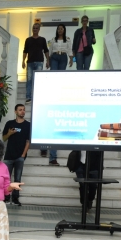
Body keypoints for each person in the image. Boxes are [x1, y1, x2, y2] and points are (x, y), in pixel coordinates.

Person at [43, 23, 73, 165]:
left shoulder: (67, 39)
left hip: (63, 57)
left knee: (61, 75)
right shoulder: (53, 40)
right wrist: (48, 61)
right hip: (54, 57)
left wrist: (72, 59)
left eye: (61, 28)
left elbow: (70, 50)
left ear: (64, 30)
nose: (60, 30)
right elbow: (49, 50)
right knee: (53, 74)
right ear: (57, 30)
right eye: (58, 28)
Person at [2, 104, 31, 207]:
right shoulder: (10, 123)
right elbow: (4, 138)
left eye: (24, 110)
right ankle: (5, 197)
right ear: (15, 112)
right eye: (20, 110)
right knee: (6, 178)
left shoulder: (28, 125)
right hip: (9, 155)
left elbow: (28, 141)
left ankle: (15, 198)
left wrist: (23, 155)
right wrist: (9, 133)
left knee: (17, 178)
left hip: (20, 156)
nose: (22, 112)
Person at [22, 23, 50, 104]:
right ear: (32, 29)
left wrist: (48, 61)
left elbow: (46, 51)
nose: (35, 29)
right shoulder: (28, 40)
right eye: (33, 28)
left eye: (36, 28)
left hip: (39, 62)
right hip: (30, 62)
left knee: (38, 79)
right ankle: (28, 97)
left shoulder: (42, 39)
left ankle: (38, 96)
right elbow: (25, 51)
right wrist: (23, 61)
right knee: (29, 80)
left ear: (39, 29)